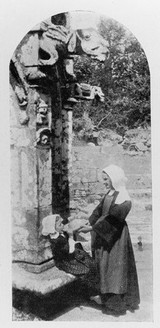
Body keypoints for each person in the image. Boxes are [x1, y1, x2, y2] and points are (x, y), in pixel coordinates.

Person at [79, 164, 140, 315]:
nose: (104, 182)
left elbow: (113, 219)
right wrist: (90, 221)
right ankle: (106, 298)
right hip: (104, 235)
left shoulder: (124, 199)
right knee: (105, 267)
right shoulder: (110, 193)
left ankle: (117, 305)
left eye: (106, 179)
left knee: (115, 270)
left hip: (115, 237)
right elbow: (99, 210)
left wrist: (93, 228)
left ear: (114, 179)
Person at [41, 214, 97, 279]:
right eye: (60, 225)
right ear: (53, 229)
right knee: (86, 269)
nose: (62, 225)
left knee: (90, 262)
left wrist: (80, 227)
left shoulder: (58, 231)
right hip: (66, 260)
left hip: (70, 254)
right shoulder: (57, 240)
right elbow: (70, 250)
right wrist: (71, 236)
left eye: (61, 223)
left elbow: (67, 225)